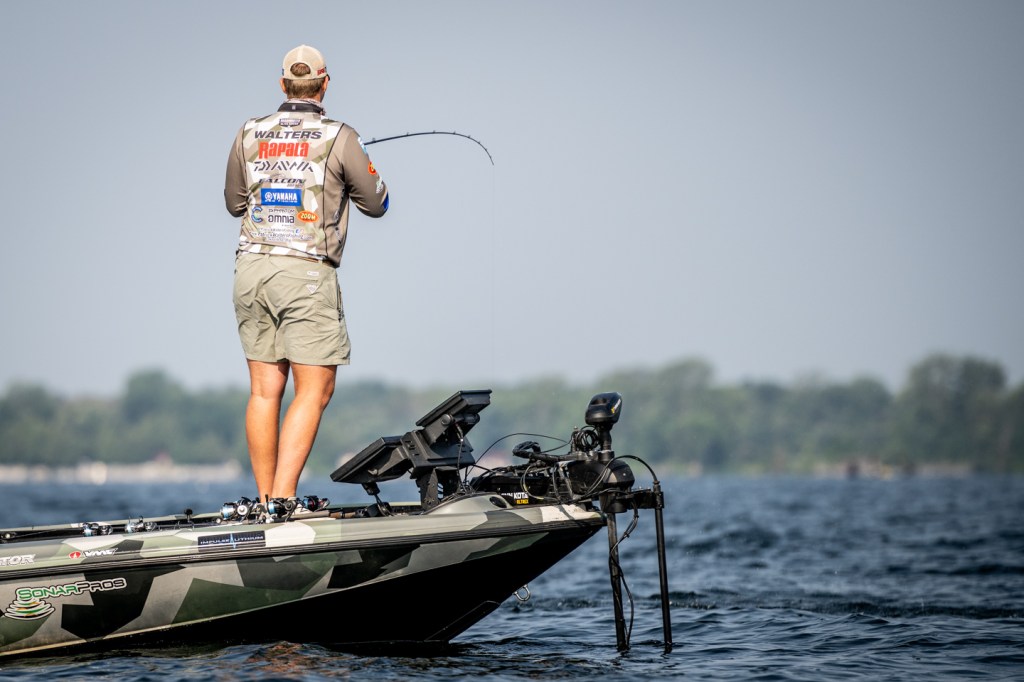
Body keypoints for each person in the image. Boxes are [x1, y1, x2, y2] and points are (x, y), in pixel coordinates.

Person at [224, 45, 389, 510]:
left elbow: (234, 203)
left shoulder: (248, 131)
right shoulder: (340, 135)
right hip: (306, 272)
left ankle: (266, 503)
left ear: (283, 84)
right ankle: (284, 499)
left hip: (250, 269)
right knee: (315, 389)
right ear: (325, 83)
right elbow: (378, 203)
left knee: (264, 390)